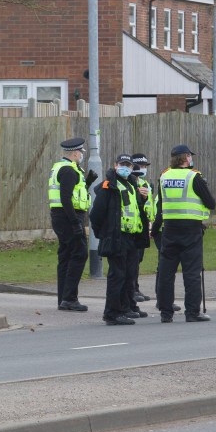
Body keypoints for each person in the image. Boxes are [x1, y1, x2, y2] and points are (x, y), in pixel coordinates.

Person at [155, 144, 216, 323]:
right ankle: (192, 313)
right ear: (186, 157)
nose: (191, 159)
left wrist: (154, 228)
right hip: (191, 231)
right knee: (191, 273)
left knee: (166, 274)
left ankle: (166, 314)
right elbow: (210, 203)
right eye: (190, 156)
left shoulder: (163, 177)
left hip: (169, 230)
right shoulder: (194, 177)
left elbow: (160, 206)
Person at [89, 154, 148, 325]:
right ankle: (112, 314)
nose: (125, 168)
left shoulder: (131, 184)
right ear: (115, 165)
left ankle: (126, 307)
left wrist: (143, 199)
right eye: (122, 164)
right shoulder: (109, 186)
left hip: (131, 237)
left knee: (129, 274)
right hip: (116, 237)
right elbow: (96, 215)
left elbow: (135, 211)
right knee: (117, 276)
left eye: (128, 165)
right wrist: (105, 234)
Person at [48, 137, 94, 312]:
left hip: (61, 216)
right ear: (75, 153)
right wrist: (75, 222)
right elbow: (65, 198)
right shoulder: (68, 170)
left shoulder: (63, 167)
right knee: (80, 253)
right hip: (68, 217)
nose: (82, 155)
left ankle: (63, 298)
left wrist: (87, 182)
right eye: (81, 152)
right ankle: (69, 298)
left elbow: (73, 193)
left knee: (66, 256)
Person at [130, 153, 155, 303]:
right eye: (141, 166)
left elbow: (148, 206)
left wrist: (150, 224)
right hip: (133, 225)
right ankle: (131, 289)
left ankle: (136, 287)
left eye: (145, 166)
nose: (143, 169)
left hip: (144, 225)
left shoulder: (145, 184)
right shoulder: (131, 183)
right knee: (132, 259)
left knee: (138, 259)